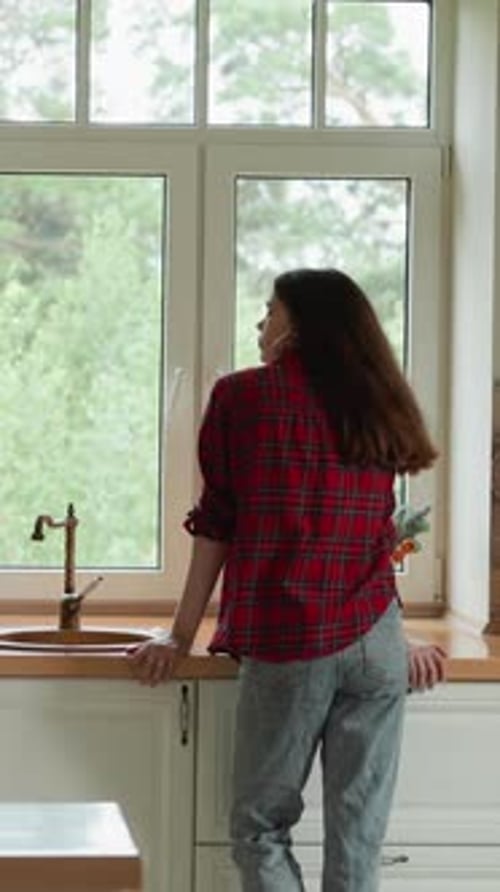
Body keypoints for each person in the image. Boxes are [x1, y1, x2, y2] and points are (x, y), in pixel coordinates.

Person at [128, 268, 446, 892]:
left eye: (269, 310)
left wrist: (179, 633)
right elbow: (374, 535)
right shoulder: (375, 401)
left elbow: (217, 524)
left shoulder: (243, 397)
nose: (259, 323)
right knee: (358, 837)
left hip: (294, 640)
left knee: (258, 829)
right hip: (375, 644)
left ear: (297, 322)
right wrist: (396, 638)